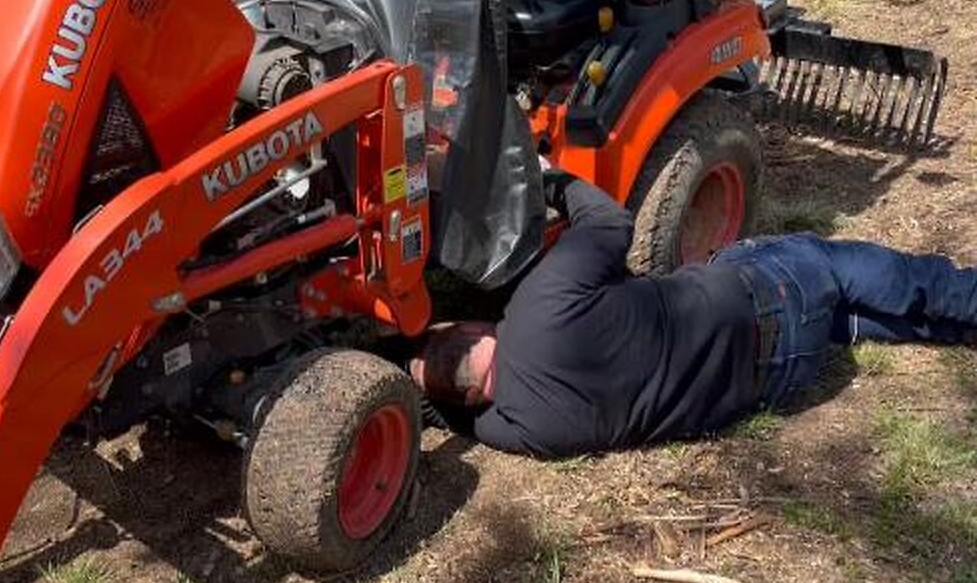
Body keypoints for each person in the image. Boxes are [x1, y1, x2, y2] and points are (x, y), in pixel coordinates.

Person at [410, 172, 977, 458]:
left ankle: (940, 328)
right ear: (474, 327)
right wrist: (551, 178)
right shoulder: (540, 309)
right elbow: (608, 224)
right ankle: (962, 298)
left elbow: (451, 416)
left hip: (783, 376)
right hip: (772, 294)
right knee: (848, 268)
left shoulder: (516, 430)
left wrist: (411, 377)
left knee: (840, 317)